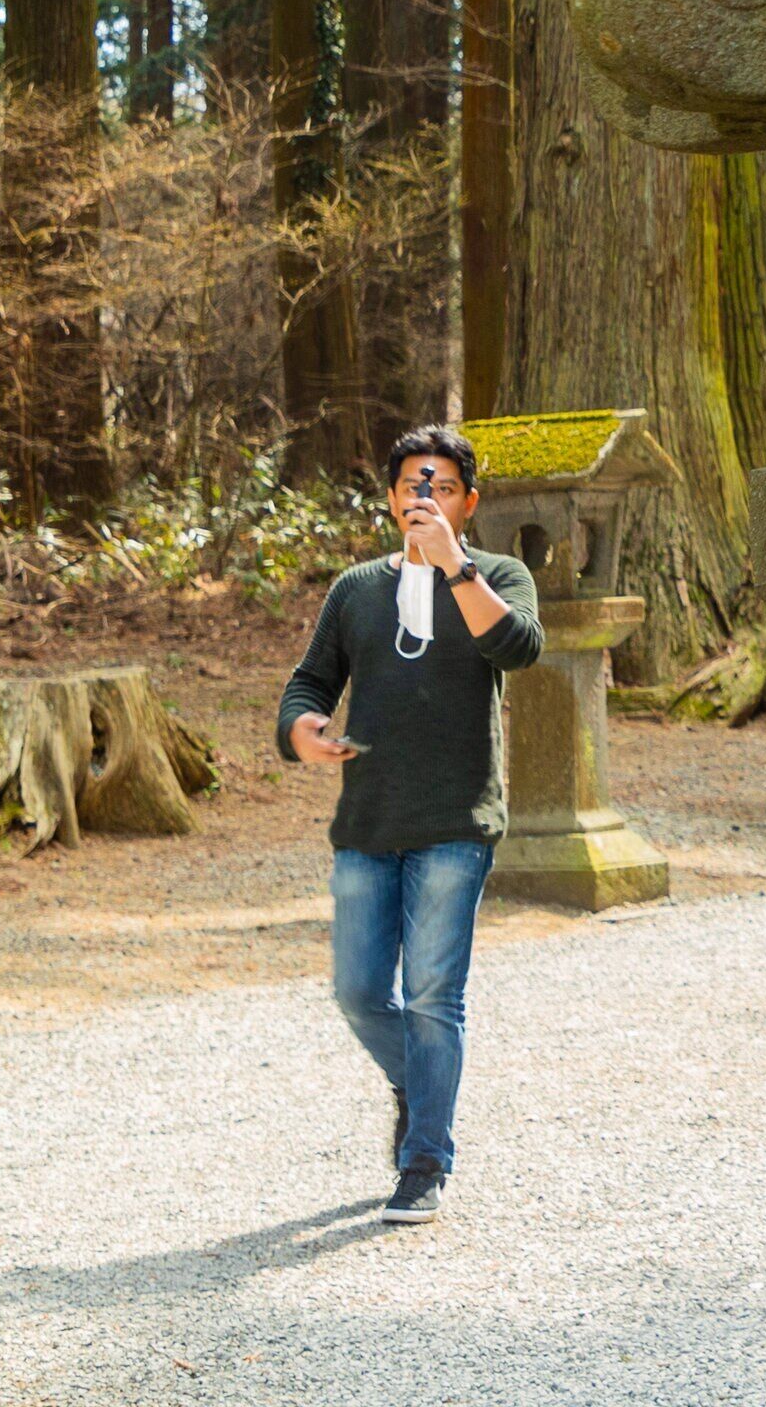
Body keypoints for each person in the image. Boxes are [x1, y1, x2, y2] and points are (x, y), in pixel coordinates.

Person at [279, 423, 544, 1225]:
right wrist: (301, 730)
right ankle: (418, 1081)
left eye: (441, 486)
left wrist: (455, 566)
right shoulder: (357, 588)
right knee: (359, 992)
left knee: (433, 997)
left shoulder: (498, 574)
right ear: (391, 497)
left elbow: (520, 649)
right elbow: (308, 684)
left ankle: (424, 1159)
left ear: (467, 501)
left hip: (456, 820)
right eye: (411, 485)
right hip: (367, 817)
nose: (423, 497)